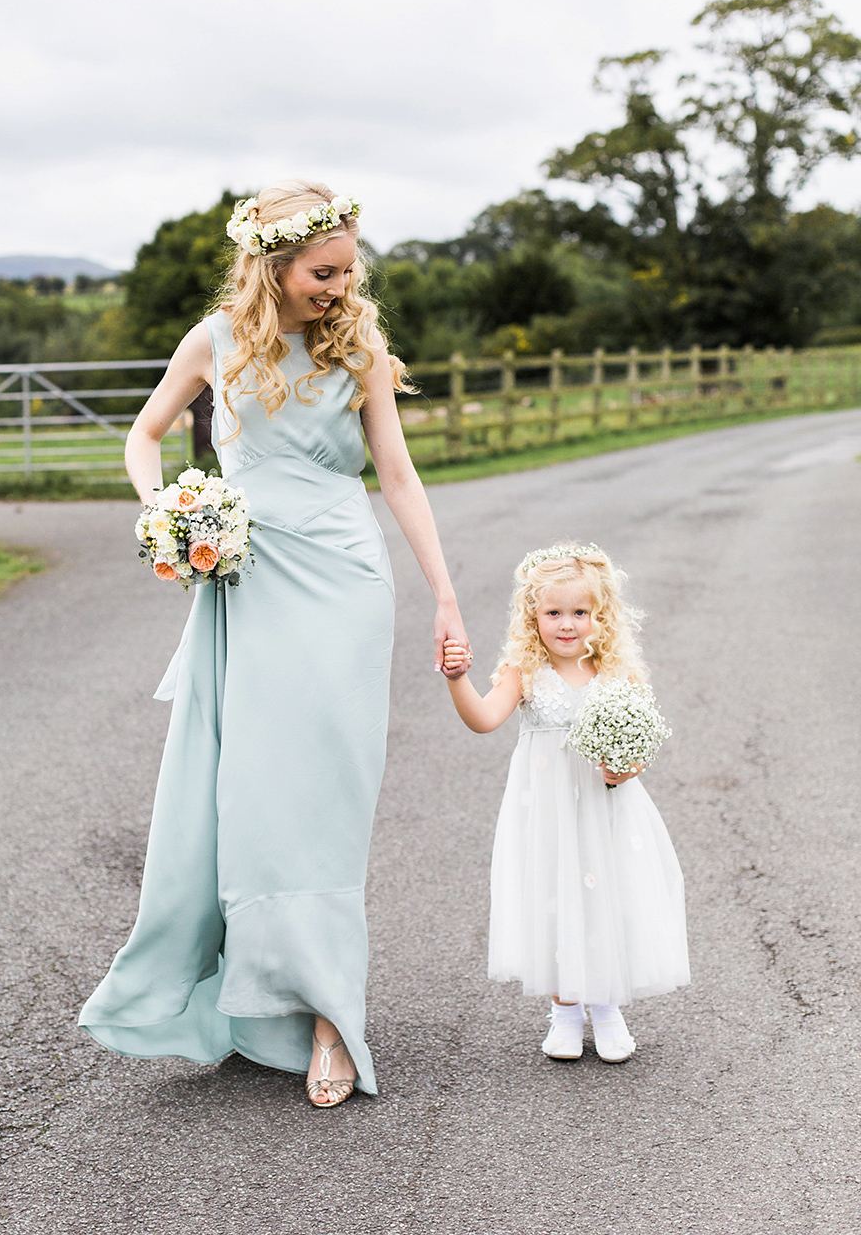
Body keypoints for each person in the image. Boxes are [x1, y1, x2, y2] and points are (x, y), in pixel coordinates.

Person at [79, 180, 471, 1108]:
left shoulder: (361, 348)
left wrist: (446, 598)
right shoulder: (212, 341)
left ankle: (334, 1015)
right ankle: (248, 993)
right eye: (322, 272)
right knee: (253, 797)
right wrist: (168, 509)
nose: (339, 287)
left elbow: (402, 481)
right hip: (247, 584)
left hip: (343, 583)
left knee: (331, 796)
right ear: (273, 264)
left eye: (346, 271)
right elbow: (144, 437)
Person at [440, 542, 688, 1063]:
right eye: (554, 612)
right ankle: (565, 1010)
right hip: (547, 809)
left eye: (581, 612)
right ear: (533, 615)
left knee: (607, 895)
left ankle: (607, 1007)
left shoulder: (618, 675)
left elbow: (637, 746)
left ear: (602, 616)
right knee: (555, 896)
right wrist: (458, 679)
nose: (568, 624)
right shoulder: (523, 673)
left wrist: (623, 769)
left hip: (605, 807)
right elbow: (484, 719)